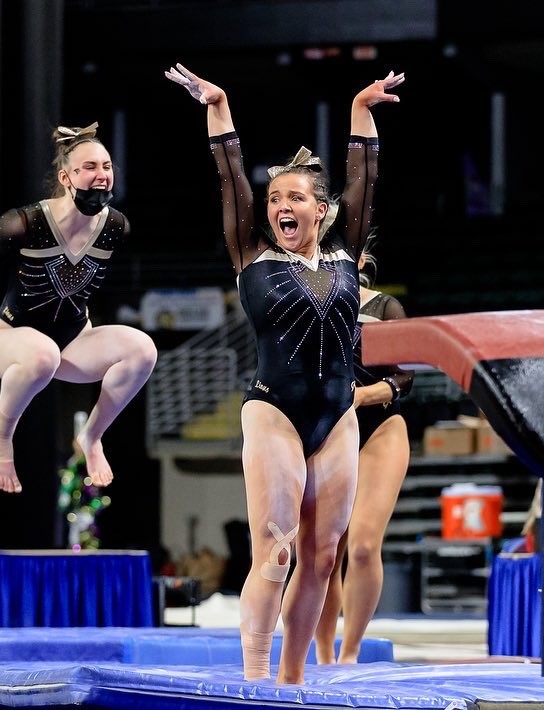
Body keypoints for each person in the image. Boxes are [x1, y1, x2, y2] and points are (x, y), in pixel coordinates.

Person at [165, 63, 404, 683]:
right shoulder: (251, 254)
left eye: (294, 198)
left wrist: (360, 112)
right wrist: (218, 108)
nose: (280, 206)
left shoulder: (346, 253)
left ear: (322, 210)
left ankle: (293, 680)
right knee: (275, 552)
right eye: (274, 199)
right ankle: (254, 678)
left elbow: (365, 179)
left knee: (321, 560)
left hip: (337, 415)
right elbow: (229, 175)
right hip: (274, 411)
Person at [0, 122, 157, 494]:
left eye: (106, 166)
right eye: (89, 167)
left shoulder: (116, 227)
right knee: (42, 356)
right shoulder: (24, 223)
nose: (101, 175)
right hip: (8, 336)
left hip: (73, 341)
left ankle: (92, 436)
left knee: (142, 350)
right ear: (66, 178)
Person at [314, 238, 414, 664]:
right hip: (328, 432)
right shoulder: (307, 306)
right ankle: (322, 653)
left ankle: (351, 652)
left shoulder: (384, 307)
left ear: (360, 259)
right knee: (324, 553)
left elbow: (405, 377)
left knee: (362, 545)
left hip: (380, 429)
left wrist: (363, 395)